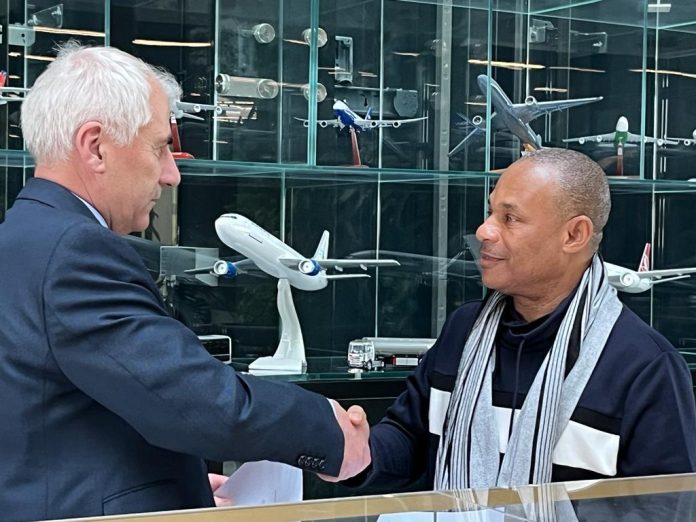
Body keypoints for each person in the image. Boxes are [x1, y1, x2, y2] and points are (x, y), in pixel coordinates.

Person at [0, 43, 369, 521]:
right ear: (95, 147)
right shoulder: (76, 250)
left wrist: (179, 483)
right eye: (159, 148)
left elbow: (62, 419)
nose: (172, 174)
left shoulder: (22, 238)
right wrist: (329, 433)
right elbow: (192, 400)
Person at [345, 147, 696, 491]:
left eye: (510, 218)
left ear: (574, 235)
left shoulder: (645, 367)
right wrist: (357, 452)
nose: (484, 231)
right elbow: (411, 438)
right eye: (490, 212)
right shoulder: (464, 329)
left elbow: (665, 506)